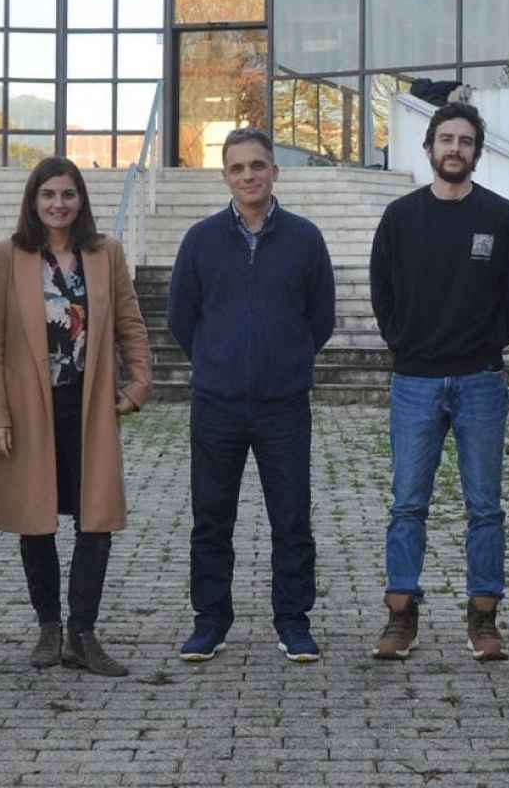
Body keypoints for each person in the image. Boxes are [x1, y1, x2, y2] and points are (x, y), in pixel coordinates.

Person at [0, 158, 152, 677]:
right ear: (33, 201)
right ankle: (48, 629)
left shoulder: (104, 254)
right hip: (30, 408)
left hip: (90, 403)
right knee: (37, 519)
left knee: (95, 520)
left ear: (82, 200)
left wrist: (138, 384)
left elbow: (129, 323)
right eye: (48, 194)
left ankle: (84, 632)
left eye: (68, 194)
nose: (58, 204)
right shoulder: (9, 256)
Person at [369, 102, 509, 662]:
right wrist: (405, 344)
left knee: (485, 506)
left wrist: (489, 343)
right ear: (429, 148)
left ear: (476, 152)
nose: (454, 148)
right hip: (415, 380)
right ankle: (400, 617)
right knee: (408, 503)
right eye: (445, 139)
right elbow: (381, 291)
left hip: (481, 380)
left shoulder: (503, 217)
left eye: (465, 140)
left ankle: (484, 618)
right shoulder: (400, 217)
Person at [168, 129, 336, 664]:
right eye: (238, 168)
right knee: (211, 518)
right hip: (216, 404)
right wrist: (216, 360)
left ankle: (293, 621)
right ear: (225, 177)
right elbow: (181, 318)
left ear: (274, 171)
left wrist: (286, 359)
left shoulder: (306, 239)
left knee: (291, 518)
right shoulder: (200, 240)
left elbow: (322, 318)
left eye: (257, 166)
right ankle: (210, 621)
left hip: (283, 403)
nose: (248, 176)